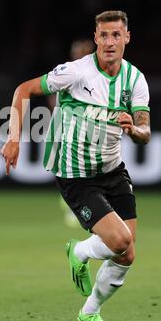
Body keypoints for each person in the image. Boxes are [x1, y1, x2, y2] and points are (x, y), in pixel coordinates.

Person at [0, 10, 151, 321]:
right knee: (119, 240)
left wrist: (134, 130)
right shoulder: (75, 72)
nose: (110, 41)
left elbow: (145, 131)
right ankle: (79, 251)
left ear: (127, 38)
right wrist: (13, 139)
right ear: (96, 39)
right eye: (104, 35)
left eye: (116, 35)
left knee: (127, 254)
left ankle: (89, 313)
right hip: (76, 174)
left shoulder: (135, 80)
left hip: (112, 170)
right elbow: (23, 90)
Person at [47, 38, 94, 228]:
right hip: (66, 128)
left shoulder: (93, 75)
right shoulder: (67, 72)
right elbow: (52, 98)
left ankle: (84, 205)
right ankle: (72, 207)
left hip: (88, 129)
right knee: (68, 170)